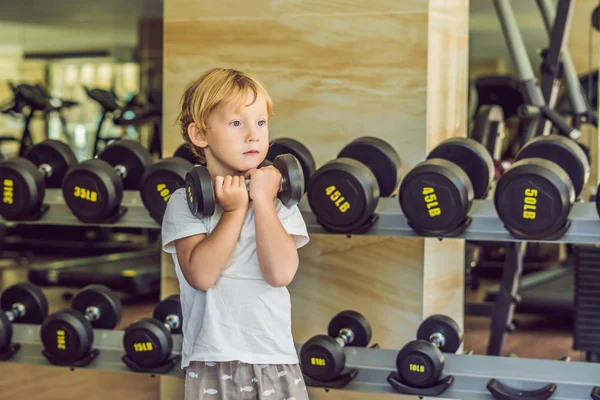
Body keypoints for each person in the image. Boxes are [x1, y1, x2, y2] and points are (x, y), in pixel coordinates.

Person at [161, 67, 310, 399]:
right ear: (200, 135)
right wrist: (234, 211)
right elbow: (201, 275)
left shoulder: (278, 200)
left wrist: (263, 204)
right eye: (236, 123)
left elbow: (281, 273)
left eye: (260, 123)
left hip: (274, 356)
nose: (253, 135)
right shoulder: (184, 203)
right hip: (214, 358)